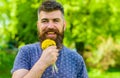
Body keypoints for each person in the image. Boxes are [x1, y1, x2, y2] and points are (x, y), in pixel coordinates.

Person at [11, 0, 88, 78]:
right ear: (38, 26)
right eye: (45, 21)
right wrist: (42, 63)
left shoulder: (76, 59)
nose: (50, 26)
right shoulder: (26, 52)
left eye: (56, 21)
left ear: (64, 25)